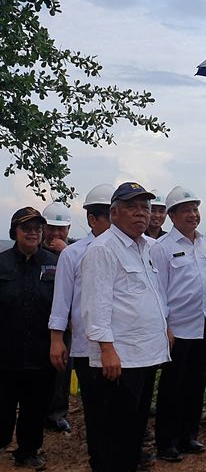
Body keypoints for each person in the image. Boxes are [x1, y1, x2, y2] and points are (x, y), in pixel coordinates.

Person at [80, 182, 171, 472]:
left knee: (134, 430)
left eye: (144, 207)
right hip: (120, 358)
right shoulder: (103, 249)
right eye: (132, 207)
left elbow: (151, 295)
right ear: (114, 213)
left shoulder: (144, 248)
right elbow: (96, 303)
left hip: (145, 354)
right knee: (114, 434)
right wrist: (106, 348)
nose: (141, 213)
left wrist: (164, 328)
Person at [152, 186, 206, 462]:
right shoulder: (162, 249)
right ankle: (166, 442)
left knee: (196, 382)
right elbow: (158, 291)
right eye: (186, 210)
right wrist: (165, 326)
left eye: (195, 209)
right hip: (178, 328)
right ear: (172, 216)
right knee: (173, 385)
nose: (193, 215)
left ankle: (188, 435)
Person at [48, 183, 114, 471]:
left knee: (125, 406)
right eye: (110, 215)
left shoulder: (135, 249)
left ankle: (129, 453)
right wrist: (57, 340)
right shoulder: (73, 254)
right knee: (97, 408)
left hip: (125, 344)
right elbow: (62, 302)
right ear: (92, 219)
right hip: (88, 346)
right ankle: (100, 459)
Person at [0, 207, 58, 469]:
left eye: (38, 228)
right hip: (5, 352)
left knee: (35, 407)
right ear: (15, 232)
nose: (33, 232)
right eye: (27, 228)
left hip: (41, 350)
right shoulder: (1, 263)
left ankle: (28, 450)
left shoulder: (55, 263)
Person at [41, 201, 74, 433]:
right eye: (50, 227)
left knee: (61, 369)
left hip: (66, 323)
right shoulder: (33, 250)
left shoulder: (76, 252)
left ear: (68, 230)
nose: (54, 233)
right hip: (35, 319)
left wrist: (66, 253)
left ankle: (56, 414)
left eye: (60, 228)